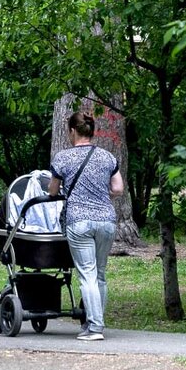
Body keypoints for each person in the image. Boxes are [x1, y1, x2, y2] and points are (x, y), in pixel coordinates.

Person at [48, 112, 125, 341]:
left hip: (79, 221)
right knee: (100, 275)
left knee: (87, 275)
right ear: (91, 131)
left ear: (72, 131)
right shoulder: (107, 157)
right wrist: (101, 195)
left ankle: (94, 327)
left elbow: (53, 190)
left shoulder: (63, 158)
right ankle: (96, 322)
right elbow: (118, 188)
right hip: (106, 221)